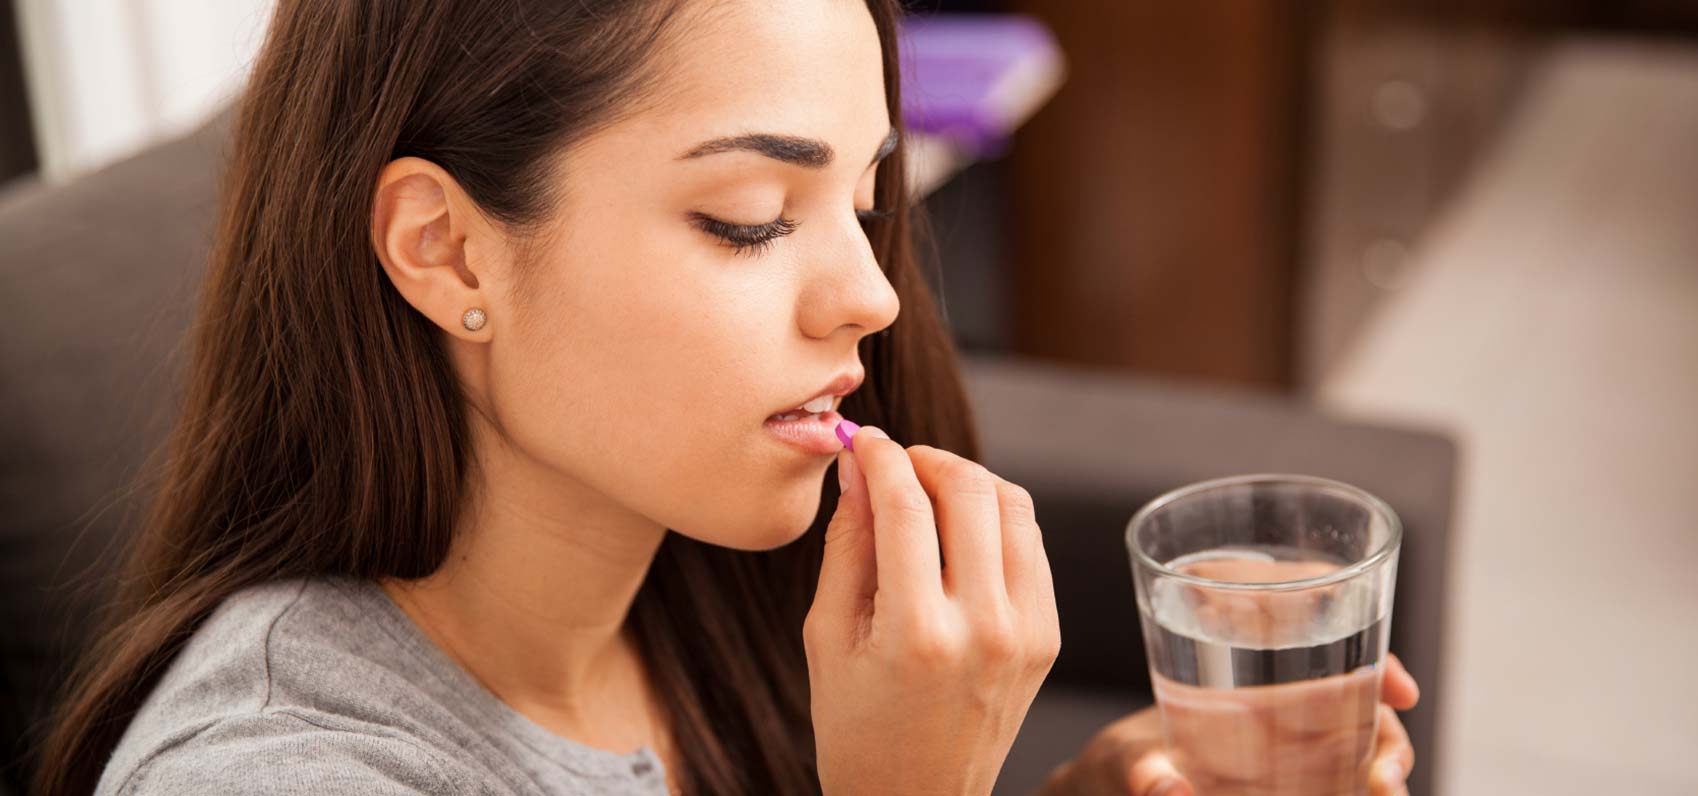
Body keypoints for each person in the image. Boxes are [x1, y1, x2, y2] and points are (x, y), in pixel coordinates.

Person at [33, 1, 1418, 794]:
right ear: (445, 249)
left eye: (866, 201)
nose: (871, 296)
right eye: (750, 217)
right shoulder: (273, 777)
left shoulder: (705, 584)